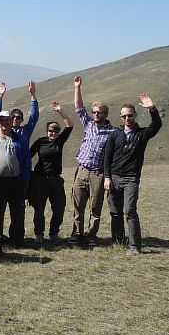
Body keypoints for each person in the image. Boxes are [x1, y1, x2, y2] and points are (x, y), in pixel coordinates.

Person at [103, 94, 162, 254]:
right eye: (124, 116)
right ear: (120, 117)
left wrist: (152, 109)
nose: (127, 118)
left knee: (130, 211)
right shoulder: (114, 135)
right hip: (114, 178)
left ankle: (134, 246)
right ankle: (118, 242)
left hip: (131, 179)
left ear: (135, 115)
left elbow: (156, 125)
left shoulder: (142, 134)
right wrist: (107, 177)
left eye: (130, 115)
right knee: (115, 213)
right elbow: (107, 157)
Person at [70, 75, 118, 246]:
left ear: (106, 114)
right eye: (95, 112)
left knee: (95, 206)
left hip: (98, 173)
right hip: (82, 170)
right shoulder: (88, 124)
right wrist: (77, 87)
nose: (96, 114)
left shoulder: (113, 132)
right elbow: (78, 107)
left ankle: (91, 235)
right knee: (78, 204)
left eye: (100, 112)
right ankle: (77, 233)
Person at [0, 110, 33, 246]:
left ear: (11, 121)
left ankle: (17, 240)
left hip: (15, 181)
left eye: (7, 120)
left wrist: (24, 179)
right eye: (2, 120)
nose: (5, 123)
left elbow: (27, 160)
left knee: (17, 212)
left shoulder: (20, 139)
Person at [29, 102, 74, 244]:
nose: (52, 133)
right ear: (47, 131)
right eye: (50, 131)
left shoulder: (59, 142)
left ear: (58, 132)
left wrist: (61, 112)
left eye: (55, 131)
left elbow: (70, 126)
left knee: (59, 208)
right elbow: (28, 156)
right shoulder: (40, 142)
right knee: (39, 209)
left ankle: (54, 233)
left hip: (56, 180)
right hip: (40, 180)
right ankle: (39, 234)